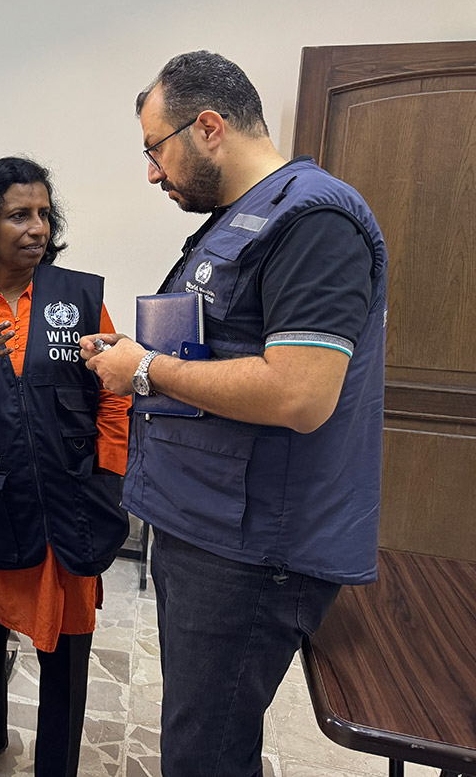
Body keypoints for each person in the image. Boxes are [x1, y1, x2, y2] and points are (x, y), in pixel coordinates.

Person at [83, 50, 387, 777]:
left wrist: (146, 371)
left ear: (208, 127)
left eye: (156, 150)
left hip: (252, 552)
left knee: (206, 754)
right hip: (209, 524)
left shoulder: (313, 219)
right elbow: (226, 347)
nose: (153, 172)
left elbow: (300, 394)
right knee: (200, 735)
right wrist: (137, 354)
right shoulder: (242, 220)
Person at [0, 157, 130, 777]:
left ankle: (57, 766)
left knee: (67, 654)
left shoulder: (79, 296)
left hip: (67, 510)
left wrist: (109, 479)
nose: (37, 228)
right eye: (19, 215)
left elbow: (114, 393)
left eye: (43, 214)